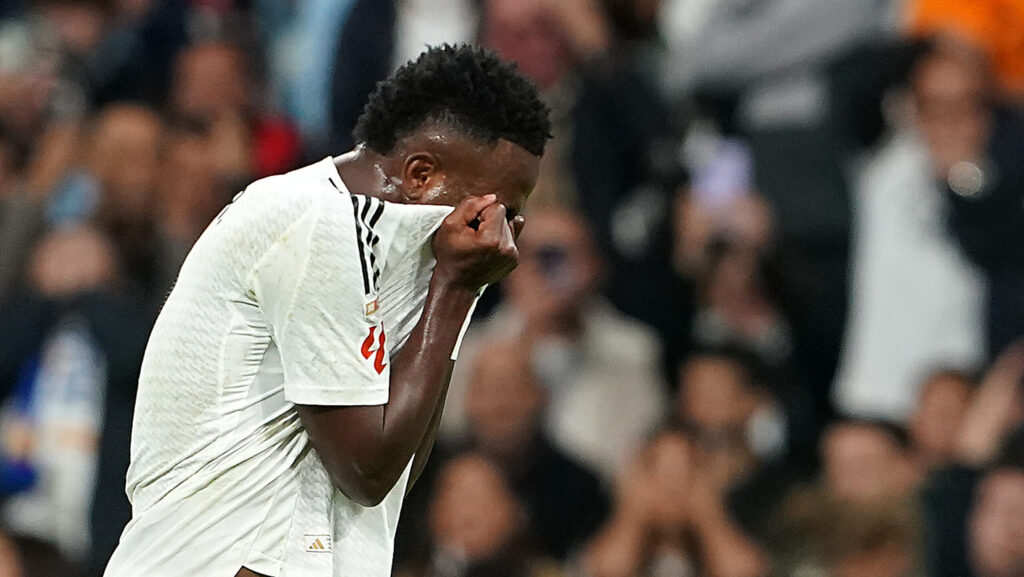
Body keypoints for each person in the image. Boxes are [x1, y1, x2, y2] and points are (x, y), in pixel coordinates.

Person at [102, 44, 551, 577]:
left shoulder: (374, 241)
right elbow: (366, 470)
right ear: (420, 175)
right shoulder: (321, 226)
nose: (502, 239)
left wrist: (456, 286)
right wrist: (456, 289)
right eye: (499, 210)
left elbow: (400, 464)